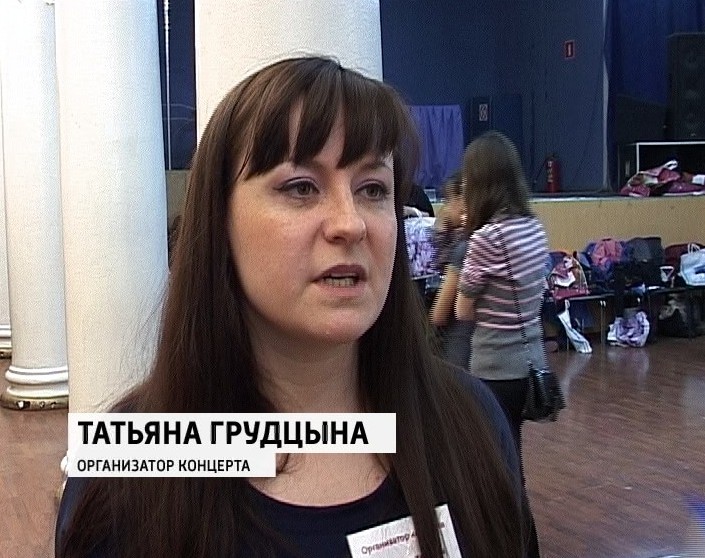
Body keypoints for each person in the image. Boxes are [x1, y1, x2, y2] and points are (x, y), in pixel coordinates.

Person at [56, 57, 527, 558]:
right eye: (301, 187)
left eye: (372, 189)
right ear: (218, 222)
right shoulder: (128, 470)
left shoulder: (469, 422)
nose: (350, 224)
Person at [455, 131, 549, 558]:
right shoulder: (534, 229)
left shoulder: (486, 239)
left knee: (497, 471)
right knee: (514, 466)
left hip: (492, 369)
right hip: (530, 365)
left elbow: (462, 310)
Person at [429, 173, 474, 369]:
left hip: (460, 347)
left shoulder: (464, 245)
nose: (446, 208)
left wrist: (439, 231)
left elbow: (438, 315)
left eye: (449, 201)